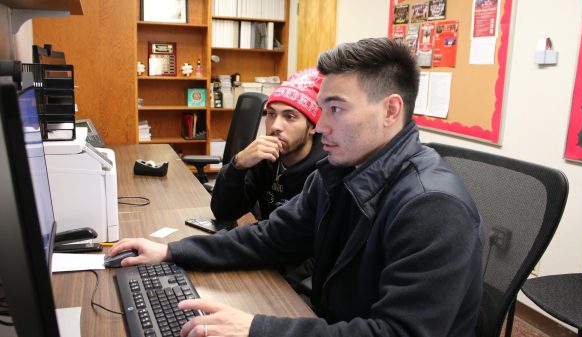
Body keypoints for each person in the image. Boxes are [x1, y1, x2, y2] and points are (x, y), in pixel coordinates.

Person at [110, 37, 483, 337]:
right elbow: (269, 238)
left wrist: (257, 328)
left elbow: (396, 332)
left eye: (336, 109)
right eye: (321, 111)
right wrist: (172, 252)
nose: (319, 127)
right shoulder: (337, 173)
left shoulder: (432, 207)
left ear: (390, 110)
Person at [210, 67, 326, 222]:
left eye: (290, 116)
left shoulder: (326, 171)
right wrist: (237, 165)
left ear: (313, 126)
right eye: (271, 114)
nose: (275, 126)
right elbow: (224, 213)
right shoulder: (265, 156)